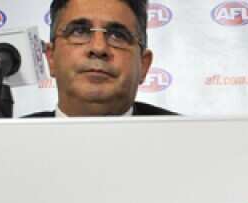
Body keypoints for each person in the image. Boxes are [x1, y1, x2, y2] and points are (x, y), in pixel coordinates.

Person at [26, 0, 176, 117]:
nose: (98, 48)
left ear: (143, 65)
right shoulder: (10, 138)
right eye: (79, 32)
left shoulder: (189, 138)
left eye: (117, 35)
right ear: (51, 57)